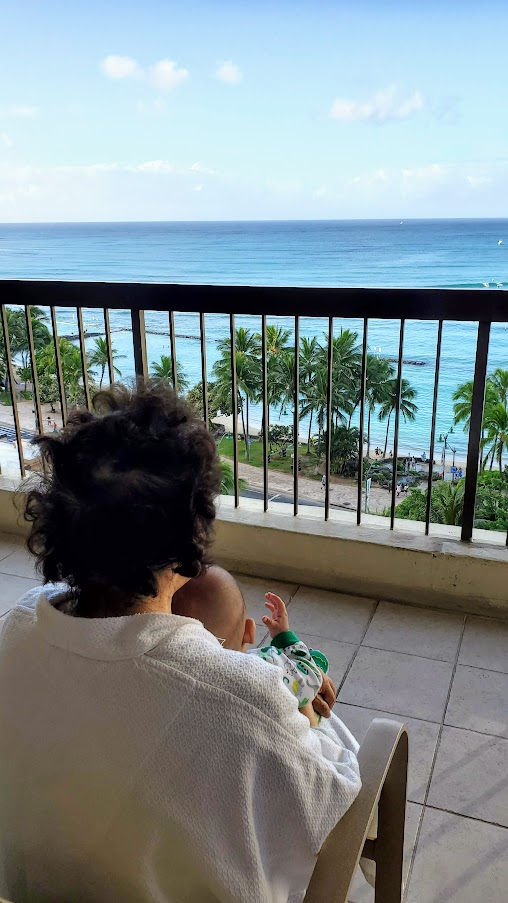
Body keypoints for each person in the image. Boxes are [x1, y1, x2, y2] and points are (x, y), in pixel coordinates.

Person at [0, 384, 361, 903]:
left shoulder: (16, 627)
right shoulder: (243, 696)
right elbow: (329, 793)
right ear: (191, 541)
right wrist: (310, 715)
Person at [174, 567, 333, 716]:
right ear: (249, 631)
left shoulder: (178, 677)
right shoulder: (267, 664)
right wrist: (285, 638)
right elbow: (311, 679)